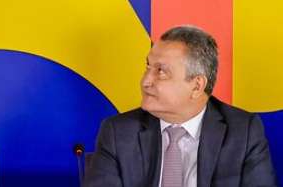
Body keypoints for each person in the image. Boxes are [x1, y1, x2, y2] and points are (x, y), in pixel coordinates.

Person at [85, 25, 277, 186]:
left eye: (160, 71)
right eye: (148, 67)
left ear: (196, 86)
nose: (145, 81)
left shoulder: (243, 133)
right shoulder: (118, 132)